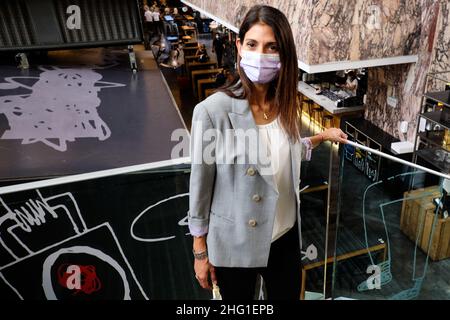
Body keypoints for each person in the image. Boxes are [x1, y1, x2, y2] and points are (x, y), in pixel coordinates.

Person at [188, 5, 347, 300]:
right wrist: (200, 252)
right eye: (252, 44)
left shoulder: (285, 106)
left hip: (284, 237)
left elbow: (286, 153)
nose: (260, 54)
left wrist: (323, 135)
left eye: (271, 47)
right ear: (239, 47)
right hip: (235, 242)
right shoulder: (212, 112)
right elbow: (200, 187)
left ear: (284, 54)